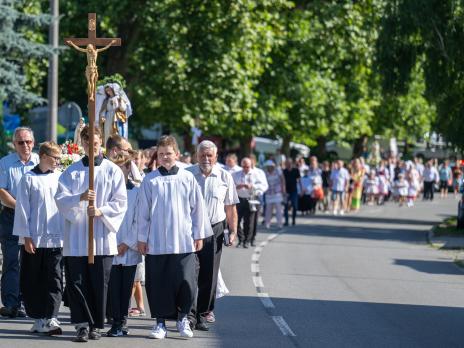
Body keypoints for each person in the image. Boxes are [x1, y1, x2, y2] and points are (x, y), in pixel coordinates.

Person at [55, 125, 127, 342]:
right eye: (87, 143)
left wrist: (100, 211)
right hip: (77, 237)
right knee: (77, 283)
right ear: (83, 144)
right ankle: (81, 325)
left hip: (102, 237)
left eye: (95, 143)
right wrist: (80, 197)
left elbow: (121, 202)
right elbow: (60, 198)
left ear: (101, 143)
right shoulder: (72, 171)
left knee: (99, 282)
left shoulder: (112, 170)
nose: (91, 147)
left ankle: (96, 324)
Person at [137, 135, 208, 340]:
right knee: (158, 283)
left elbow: (198, 209)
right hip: (156, 242)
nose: (165, 157)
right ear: (156, 156)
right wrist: (142, 238)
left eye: (168, 153)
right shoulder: (150, 180)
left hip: (183, 240)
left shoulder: (187, 178)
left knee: (186, 281)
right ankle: (160, 323)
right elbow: (143, 212)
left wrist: (199, 234)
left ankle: (183, 318)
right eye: (161, 154)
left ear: (176, 154)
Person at [187, 140, 239, 331]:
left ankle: (202, 313)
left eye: (210, 155)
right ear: (196, 156)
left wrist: (233, 231)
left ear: (216, 157)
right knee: (190, 273)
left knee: (209, 274)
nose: (206, 159)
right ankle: (188, 314)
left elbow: (231, 207)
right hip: (190, 229)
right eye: (202, 155)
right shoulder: (187, 174)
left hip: (215, 228)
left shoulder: (225, 176)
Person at [13, 141, 63, 334]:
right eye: (54, 158)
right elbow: (23, 209)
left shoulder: (59, 177)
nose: (58, 162)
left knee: (55, 278)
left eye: (59, 158)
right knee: (34, 278)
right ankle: (39, 317)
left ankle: (51, 317)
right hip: (34, 238)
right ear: (43, 156)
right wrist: (26, 236)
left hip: (56, 237)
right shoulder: (28, 178)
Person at [0, 127, 39, 318]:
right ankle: (11, 303)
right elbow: (2, 192)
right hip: (12, 217)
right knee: (12, 260)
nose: (25, 146)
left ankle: (28, 302)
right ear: (14, 144)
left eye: (28, 141)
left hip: (36, 219)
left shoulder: (41, 161)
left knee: (32, 262)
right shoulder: (5, 163)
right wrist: (21, 208)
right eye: (21, 142)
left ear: (34, 142)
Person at [106, 154, 143, 337]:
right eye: (115, 167)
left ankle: (122, 321)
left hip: (129, 247)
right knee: (113, 286)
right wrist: (113, 244)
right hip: (110, 245)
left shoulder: (136, 192)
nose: (119, 171)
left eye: (122, 166)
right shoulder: (106, 192)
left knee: (126, 286)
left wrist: (126, 244)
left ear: (129, 168)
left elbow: (139, 220)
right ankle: (115, 321)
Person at [233, 158, 266, 248]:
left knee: (249, 222)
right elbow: (230, 185)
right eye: (243, 166)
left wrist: (252, 186)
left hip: (251, 199)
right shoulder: (236, 174)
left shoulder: (256, 174)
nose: (245, 168)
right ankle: (241, 239)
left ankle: (247, 240)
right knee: (236, 221)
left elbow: (262, 186)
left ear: (251, 166)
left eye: (247, 166)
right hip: (239, 199)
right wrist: (237, 186)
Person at [264, 160, 285, 228]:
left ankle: (280, 223)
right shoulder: (265, 173)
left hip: (277, 193)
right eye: (268, 166)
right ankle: (267, 223)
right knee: (268, 209)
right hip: (269, 193)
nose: (269, 167)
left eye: (270, 166)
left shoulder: (278, 171)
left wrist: (283, 189)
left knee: (279, 209)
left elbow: (282, 180)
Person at [283, 159, 300, 226]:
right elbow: (282, 181)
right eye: (287, 163)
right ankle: (286, 221)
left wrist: (301, 189)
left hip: (294, 190)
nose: (288, 165)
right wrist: (283, 191)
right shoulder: (284, 171)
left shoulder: (296, 170)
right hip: (286, 191)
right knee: (286, 206)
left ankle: (293, 219)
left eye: (289, 163)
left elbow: (299, 180)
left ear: (292, 164)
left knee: (294, 206)